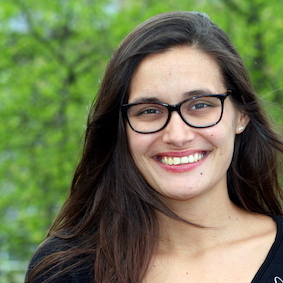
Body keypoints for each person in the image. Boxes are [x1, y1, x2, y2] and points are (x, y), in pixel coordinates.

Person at [25, 11, 283, 283]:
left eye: (200, 105)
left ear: (241, 115)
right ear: (121, 128)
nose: (177, 134)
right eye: (149, 110)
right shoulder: (66, 270)